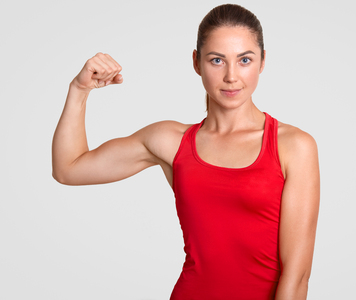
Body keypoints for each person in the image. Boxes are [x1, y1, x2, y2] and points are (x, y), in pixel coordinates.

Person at [52, 4, 320, 300]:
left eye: (244, 59)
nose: (231, 76)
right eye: (217, 60)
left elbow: (296, 277)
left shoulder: (293, 146)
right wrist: (79, 90)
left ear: (262, 62)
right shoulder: (171, 141)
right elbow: (68, 169)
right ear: (196, 62)